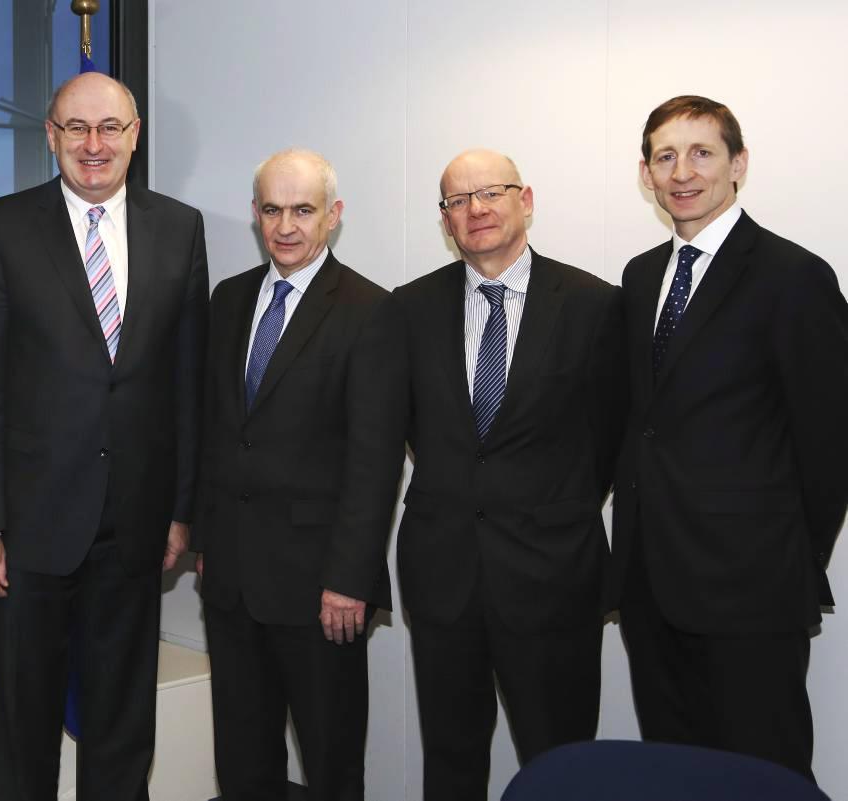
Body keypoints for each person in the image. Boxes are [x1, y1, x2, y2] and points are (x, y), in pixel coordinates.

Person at [0, 72, 208, 801]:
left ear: (134, 135)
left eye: (109, 128)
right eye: (76, 128)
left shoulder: (180, 227)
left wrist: (180, 509)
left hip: (135, 526)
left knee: (122, 730)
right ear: (51, 136)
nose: (94, 144)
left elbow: (186, 383)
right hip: (27, 531)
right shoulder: (2, 227)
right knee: (25, 730)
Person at [610, 95, 848, 780]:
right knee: (676, 775)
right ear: (646, 174)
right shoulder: (640, 276)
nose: (682, 172)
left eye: (702, 153)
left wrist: (786, 557)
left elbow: (830, 442)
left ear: (738, 164)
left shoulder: (793, 276)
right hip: (651, 585)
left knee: (762, 777)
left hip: (752, 590)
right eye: (665, 157)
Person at [392, 149, 626, 799]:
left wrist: (546, 505)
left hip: (554, 576)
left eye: (491, 192)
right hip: (444, 576)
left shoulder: (594, 304)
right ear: (445, 220)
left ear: (526, 200)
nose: (476, 209)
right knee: (450, 761)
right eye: (457, 200)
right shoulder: (409, 308)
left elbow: (610, 439)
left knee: (562, 767)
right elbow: (414, 431)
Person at [193, 148, 406, 801]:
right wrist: (205, 536)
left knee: (330, 766)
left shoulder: (370, 309)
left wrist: (348, 580)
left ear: (333, 215)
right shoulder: (229, 299)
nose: (285, 226)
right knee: (242, 764)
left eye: (303, 210)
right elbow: (215, 430)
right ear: (255, 214)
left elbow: (375, 461)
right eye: (272, 210)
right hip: (231, 583)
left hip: (321, 592)